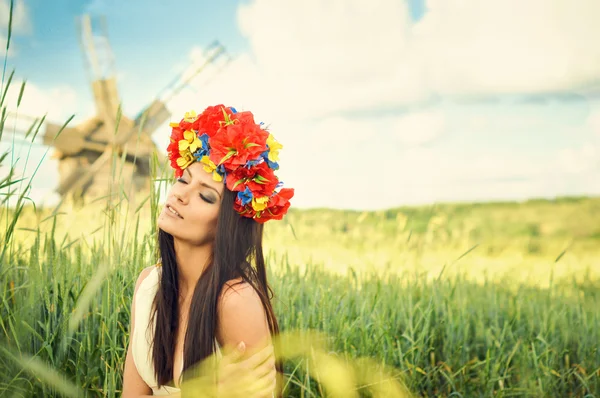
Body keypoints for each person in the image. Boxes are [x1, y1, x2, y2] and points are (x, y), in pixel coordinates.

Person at [122, 105, 295, 397]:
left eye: (205, 195)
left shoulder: (235, 302)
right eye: (183, 179)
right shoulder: (149, 285)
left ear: (226, 225)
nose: (179, 194)